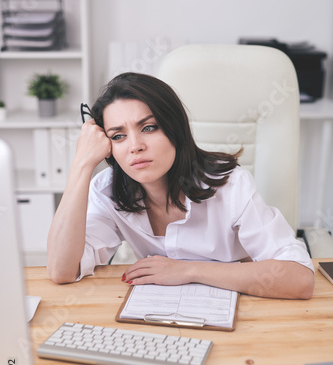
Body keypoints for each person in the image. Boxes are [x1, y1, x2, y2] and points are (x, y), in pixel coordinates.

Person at [47, 72, 314, 299]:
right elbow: (62, 271)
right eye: (118, 136)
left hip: (237, 307)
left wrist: (187, 270)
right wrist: (81, 165)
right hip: (158, 312)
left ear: (175, 128)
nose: (135, 146)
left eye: (149, 128)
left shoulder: (232, 186)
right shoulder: (107, 190)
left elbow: (300, 278)